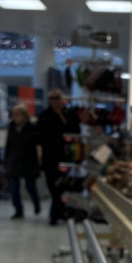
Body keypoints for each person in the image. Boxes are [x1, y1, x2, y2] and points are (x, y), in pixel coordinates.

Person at [37, 89, 80, 225]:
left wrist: (62, 115)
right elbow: (39, 135)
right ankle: (57, 212)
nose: (55, 101)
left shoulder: (68, 114)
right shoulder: (44, 115)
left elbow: (75, 130)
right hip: (49, 156)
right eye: (52, 99)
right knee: (52, 186)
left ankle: (55, 214)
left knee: (61, 185)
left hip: (64, 156)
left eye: (57, 98)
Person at [4, 104, 41, 220]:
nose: (16, 117)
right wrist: (6, 161)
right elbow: (8, 145)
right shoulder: (11, 127)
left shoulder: (31, 128)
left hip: (28, 161)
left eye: (19, 115)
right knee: (14, 188)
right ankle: (18, 210)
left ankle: (36, 203)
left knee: (30, 186)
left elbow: (35, 143)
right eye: (15, 115)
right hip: (14, 160)